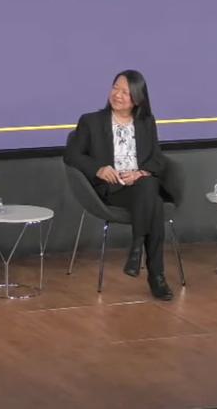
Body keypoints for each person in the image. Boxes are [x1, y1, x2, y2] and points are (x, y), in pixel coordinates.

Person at [64, 70, 178, 300]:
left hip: (139, 186)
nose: (117, 95)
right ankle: (156, 276)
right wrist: (99, 168)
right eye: (115, 88)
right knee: (152, 198)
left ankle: (137, 248)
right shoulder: (91, 121)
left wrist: (140, 173)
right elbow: (72, 154)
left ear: (138, 98)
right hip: (111, 189)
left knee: (148, 189)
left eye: (125, 92)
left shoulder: (146, 122)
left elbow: (157, 158)